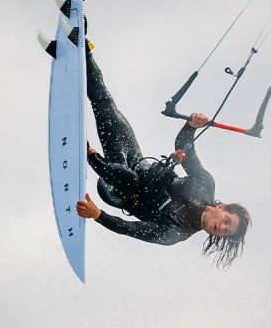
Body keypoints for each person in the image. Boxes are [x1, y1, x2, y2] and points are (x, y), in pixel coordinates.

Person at [72, 45, 252, 268]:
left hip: (116, 190)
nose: (222, 228)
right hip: (133, 160)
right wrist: (190, 126)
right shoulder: (204, 183)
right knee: (109, 108)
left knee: (128, 178)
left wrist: (98, 214)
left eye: (226, 232)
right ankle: (83, 49)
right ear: (221, 207)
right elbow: (185, 148)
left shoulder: (176, 232)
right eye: (227, 221)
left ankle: (85, 150)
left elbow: (131, 229)